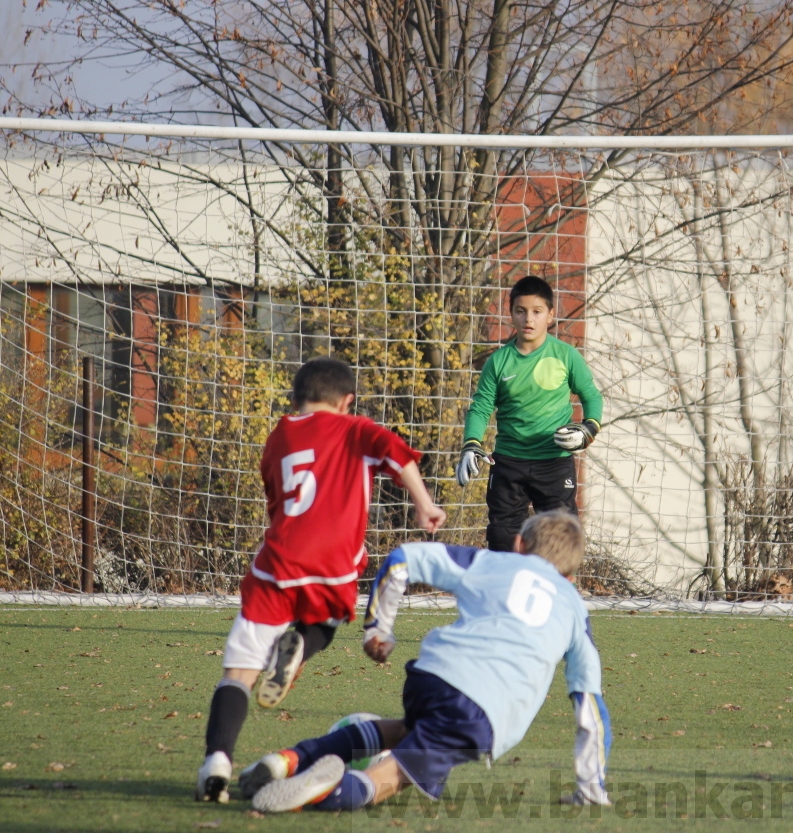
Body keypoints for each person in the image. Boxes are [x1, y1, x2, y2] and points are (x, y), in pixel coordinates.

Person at [235, 510, 611, 814]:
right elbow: (590, 706)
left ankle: (288, 760)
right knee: (393, 776)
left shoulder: (491, 561)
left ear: (518, 544)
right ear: (571, 577)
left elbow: (403, 559)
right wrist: (591, 786)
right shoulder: (575, 610)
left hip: (433, 675)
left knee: (405, 728)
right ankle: (325, 792)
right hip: (484, 712)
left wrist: (378, 628)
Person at [196, 357, 446, 803]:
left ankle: (216, 765)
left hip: (276, 563)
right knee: (326, 623)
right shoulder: (356, 429)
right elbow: (397, 453)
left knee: (236, 674)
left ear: (296, 399)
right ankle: (300, 649)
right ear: (348, 401)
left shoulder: (279, 436)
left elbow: (275, 498)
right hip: (331, 566)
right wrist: (423, 502)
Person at [456, 276, 604, 552]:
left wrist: (589, 429)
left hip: (554, 462)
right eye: (520, 311)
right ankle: (507, 593)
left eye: (537, 312)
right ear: (511, 313)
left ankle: (557, 594)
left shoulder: (566, 355)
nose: (528, 319)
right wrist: (471, 445)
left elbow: (592, 396)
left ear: (550, 315)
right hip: (509, 463)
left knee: (560, 540)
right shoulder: (498, 362)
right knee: (502, 539)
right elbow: (481, 407)